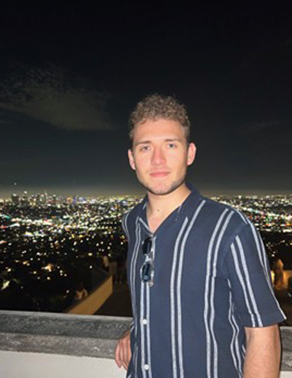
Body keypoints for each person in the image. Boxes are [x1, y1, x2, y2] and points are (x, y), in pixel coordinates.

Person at [115, 94, 286, 377]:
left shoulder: (230, 228)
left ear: (189, 153)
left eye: (170, 145)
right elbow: (162, 294)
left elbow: (263, 333)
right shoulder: (132, 222)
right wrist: (137, 330)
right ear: (132, 159)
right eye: (146, 148)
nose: (158, 159)